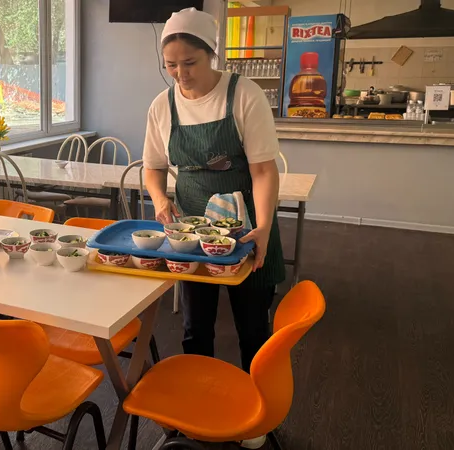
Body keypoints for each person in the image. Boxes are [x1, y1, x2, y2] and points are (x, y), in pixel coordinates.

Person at [144, 6, 286, 387]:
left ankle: (257, 402)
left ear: (211, 53)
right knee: (196, 327)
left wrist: (264, 228)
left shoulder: (243, 94)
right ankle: (199, 398)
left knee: (253, 327)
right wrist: (160, 200)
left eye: (189, 63)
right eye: (170, 65)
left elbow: (263, 170)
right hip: (193, 232)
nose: (180, 73)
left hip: (248, 226)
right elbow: (153, 168)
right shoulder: (162, 106)